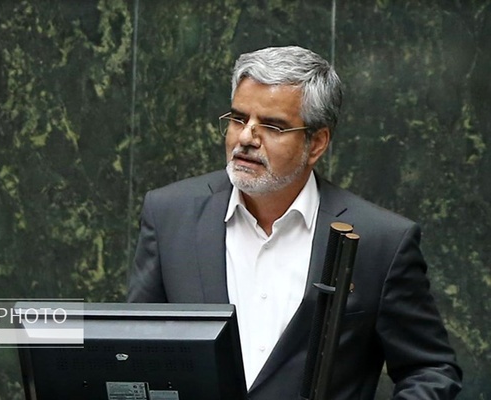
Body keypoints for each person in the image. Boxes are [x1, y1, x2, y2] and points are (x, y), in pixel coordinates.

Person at [127, 45, 462, 399]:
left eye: (273, 126)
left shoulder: (381, 241)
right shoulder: (170, 215)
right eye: (239, 119)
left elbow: (430, 370)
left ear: (316, 143)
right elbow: (133, 348)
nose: (246, 138)